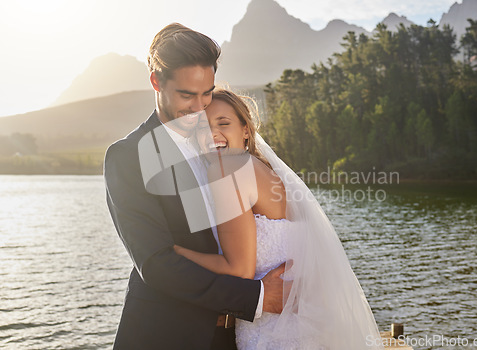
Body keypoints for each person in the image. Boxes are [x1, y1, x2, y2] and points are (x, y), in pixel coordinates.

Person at [104, 23, 285, 350]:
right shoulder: (128, 156)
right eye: (187, 95)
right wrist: (258, 297)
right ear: (156, 81)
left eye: (207, 92)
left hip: (241, 337)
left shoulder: (222, 140)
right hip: (167, 336)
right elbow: (156, 264)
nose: (200, 106)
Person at [173, 89, 385, 349]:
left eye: (223, 123)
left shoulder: (227, 167)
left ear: (246, 131)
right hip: (302, 325)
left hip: (275, 333)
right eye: (202, 128)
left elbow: (239, 271)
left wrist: (175, 252)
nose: (212, 135)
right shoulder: (266, 172)